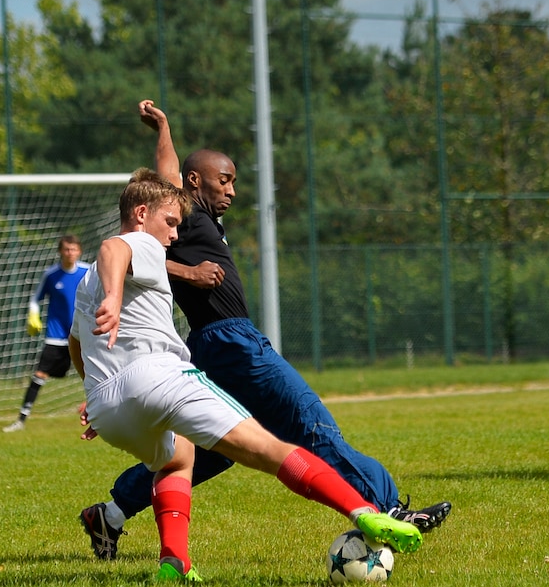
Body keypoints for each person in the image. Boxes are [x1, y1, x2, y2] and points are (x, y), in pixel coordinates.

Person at [77, 100, 450, 560]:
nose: (232, 189)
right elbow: (146, 214)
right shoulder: (183, 215)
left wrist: (166, 125)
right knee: (308, 420)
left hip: (215, 345)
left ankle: (110, 515)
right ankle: (389, 508)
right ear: (194, 183)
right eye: (224, 179)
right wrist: (187, 273)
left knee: (213, 450)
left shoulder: (198, 223)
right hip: (229, 339)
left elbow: (160, 206)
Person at [3, 234, 89, 432]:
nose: (70, 253)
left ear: (79, 251)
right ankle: (21, 419)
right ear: (60, 251)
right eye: (66, 249)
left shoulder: (88, 271)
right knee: (39, 374)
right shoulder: (51, 274)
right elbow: (35, 299)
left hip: (81, 334)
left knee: (94, 372)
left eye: (74, 249)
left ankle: (101, 413)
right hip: (56, 335)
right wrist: (33, 316)